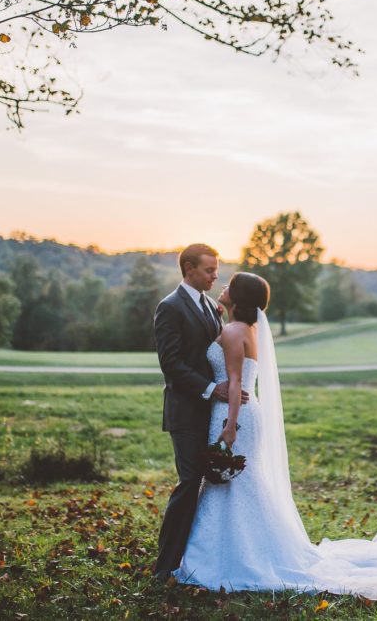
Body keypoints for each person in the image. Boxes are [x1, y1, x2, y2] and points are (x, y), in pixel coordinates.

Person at [173, 272, 377, 604]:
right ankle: (255, 547)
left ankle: (227, 556)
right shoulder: (248, 329)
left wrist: (229, 427)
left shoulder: (231, 332)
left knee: (231, 483)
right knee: (246, 482)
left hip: (233, 416)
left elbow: (232, 384)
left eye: (229, 286)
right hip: (248, 412)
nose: (222, 287)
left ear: (239, 298)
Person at [152, 243, 249, 578]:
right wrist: (213, 390)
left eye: (216, 270)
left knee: (205, 484)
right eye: (209, 270)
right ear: (189, 268)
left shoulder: (210, 306)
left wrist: (230, 389)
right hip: (185, 412)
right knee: (189, 482)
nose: (215, 275)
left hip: (210, 414)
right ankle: (164, 566)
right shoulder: (170, 307)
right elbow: (171, 364)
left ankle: (195, 559)